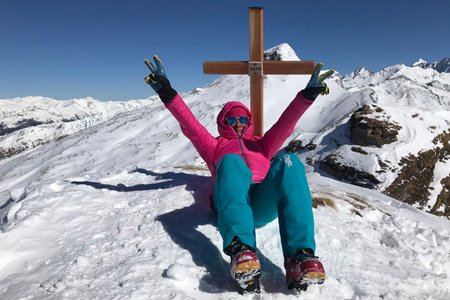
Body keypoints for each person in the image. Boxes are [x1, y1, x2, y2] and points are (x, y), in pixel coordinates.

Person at [144, 55, 334, 294]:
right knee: (232, 161)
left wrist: (308, 95)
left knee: (289, 161)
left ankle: (300, 257)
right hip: (231, 200)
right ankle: (241, 252)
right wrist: (168, 94)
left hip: (260, 204)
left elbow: (286, 125)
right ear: (223, 122)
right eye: (232, 119)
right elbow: (190, 126)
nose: (238, 124)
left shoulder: (262, 144)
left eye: (243, 119)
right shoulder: (214, 145)